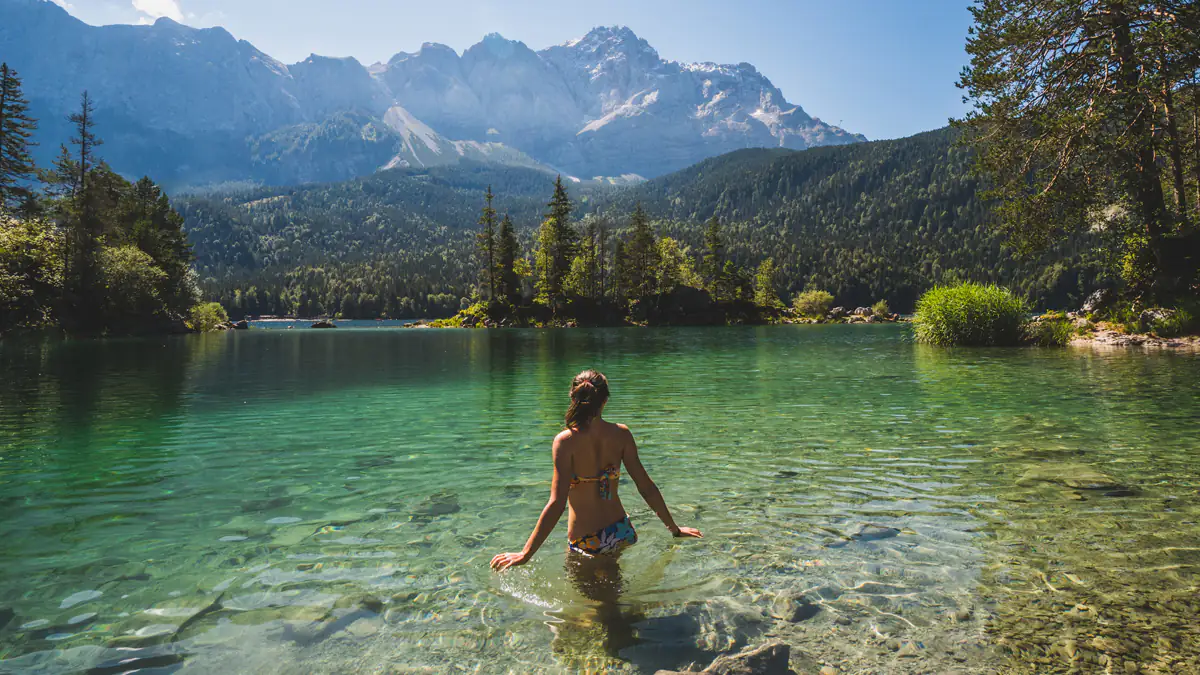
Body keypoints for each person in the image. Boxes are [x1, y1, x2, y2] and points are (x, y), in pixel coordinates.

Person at [491, 369, 702, 572]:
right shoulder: (621, 434)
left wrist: (525, 553)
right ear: (605, 400)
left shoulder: (565, 441)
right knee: (611, 594)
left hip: (587, 539)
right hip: (621, 530)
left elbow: (557, 503)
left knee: (593, 605)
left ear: (573, 397)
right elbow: (646, 487)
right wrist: (674, 529)